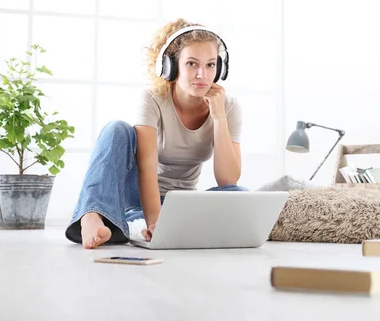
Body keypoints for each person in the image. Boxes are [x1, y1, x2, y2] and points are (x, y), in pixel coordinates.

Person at [65, 18, 246, 249]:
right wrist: (155, 222)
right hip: (141, 199)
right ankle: (92, 214)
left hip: (182, 203)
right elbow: (147, 169)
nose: (202, 74)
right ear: (171, 66)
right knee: (117, 129)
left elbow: (227, 181)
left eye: (211, 65)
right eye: (192, 63)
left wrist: (219, 117)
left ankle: (118, 225)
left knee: (238, 193)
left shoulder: (228, 106)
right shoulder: (153, 99)